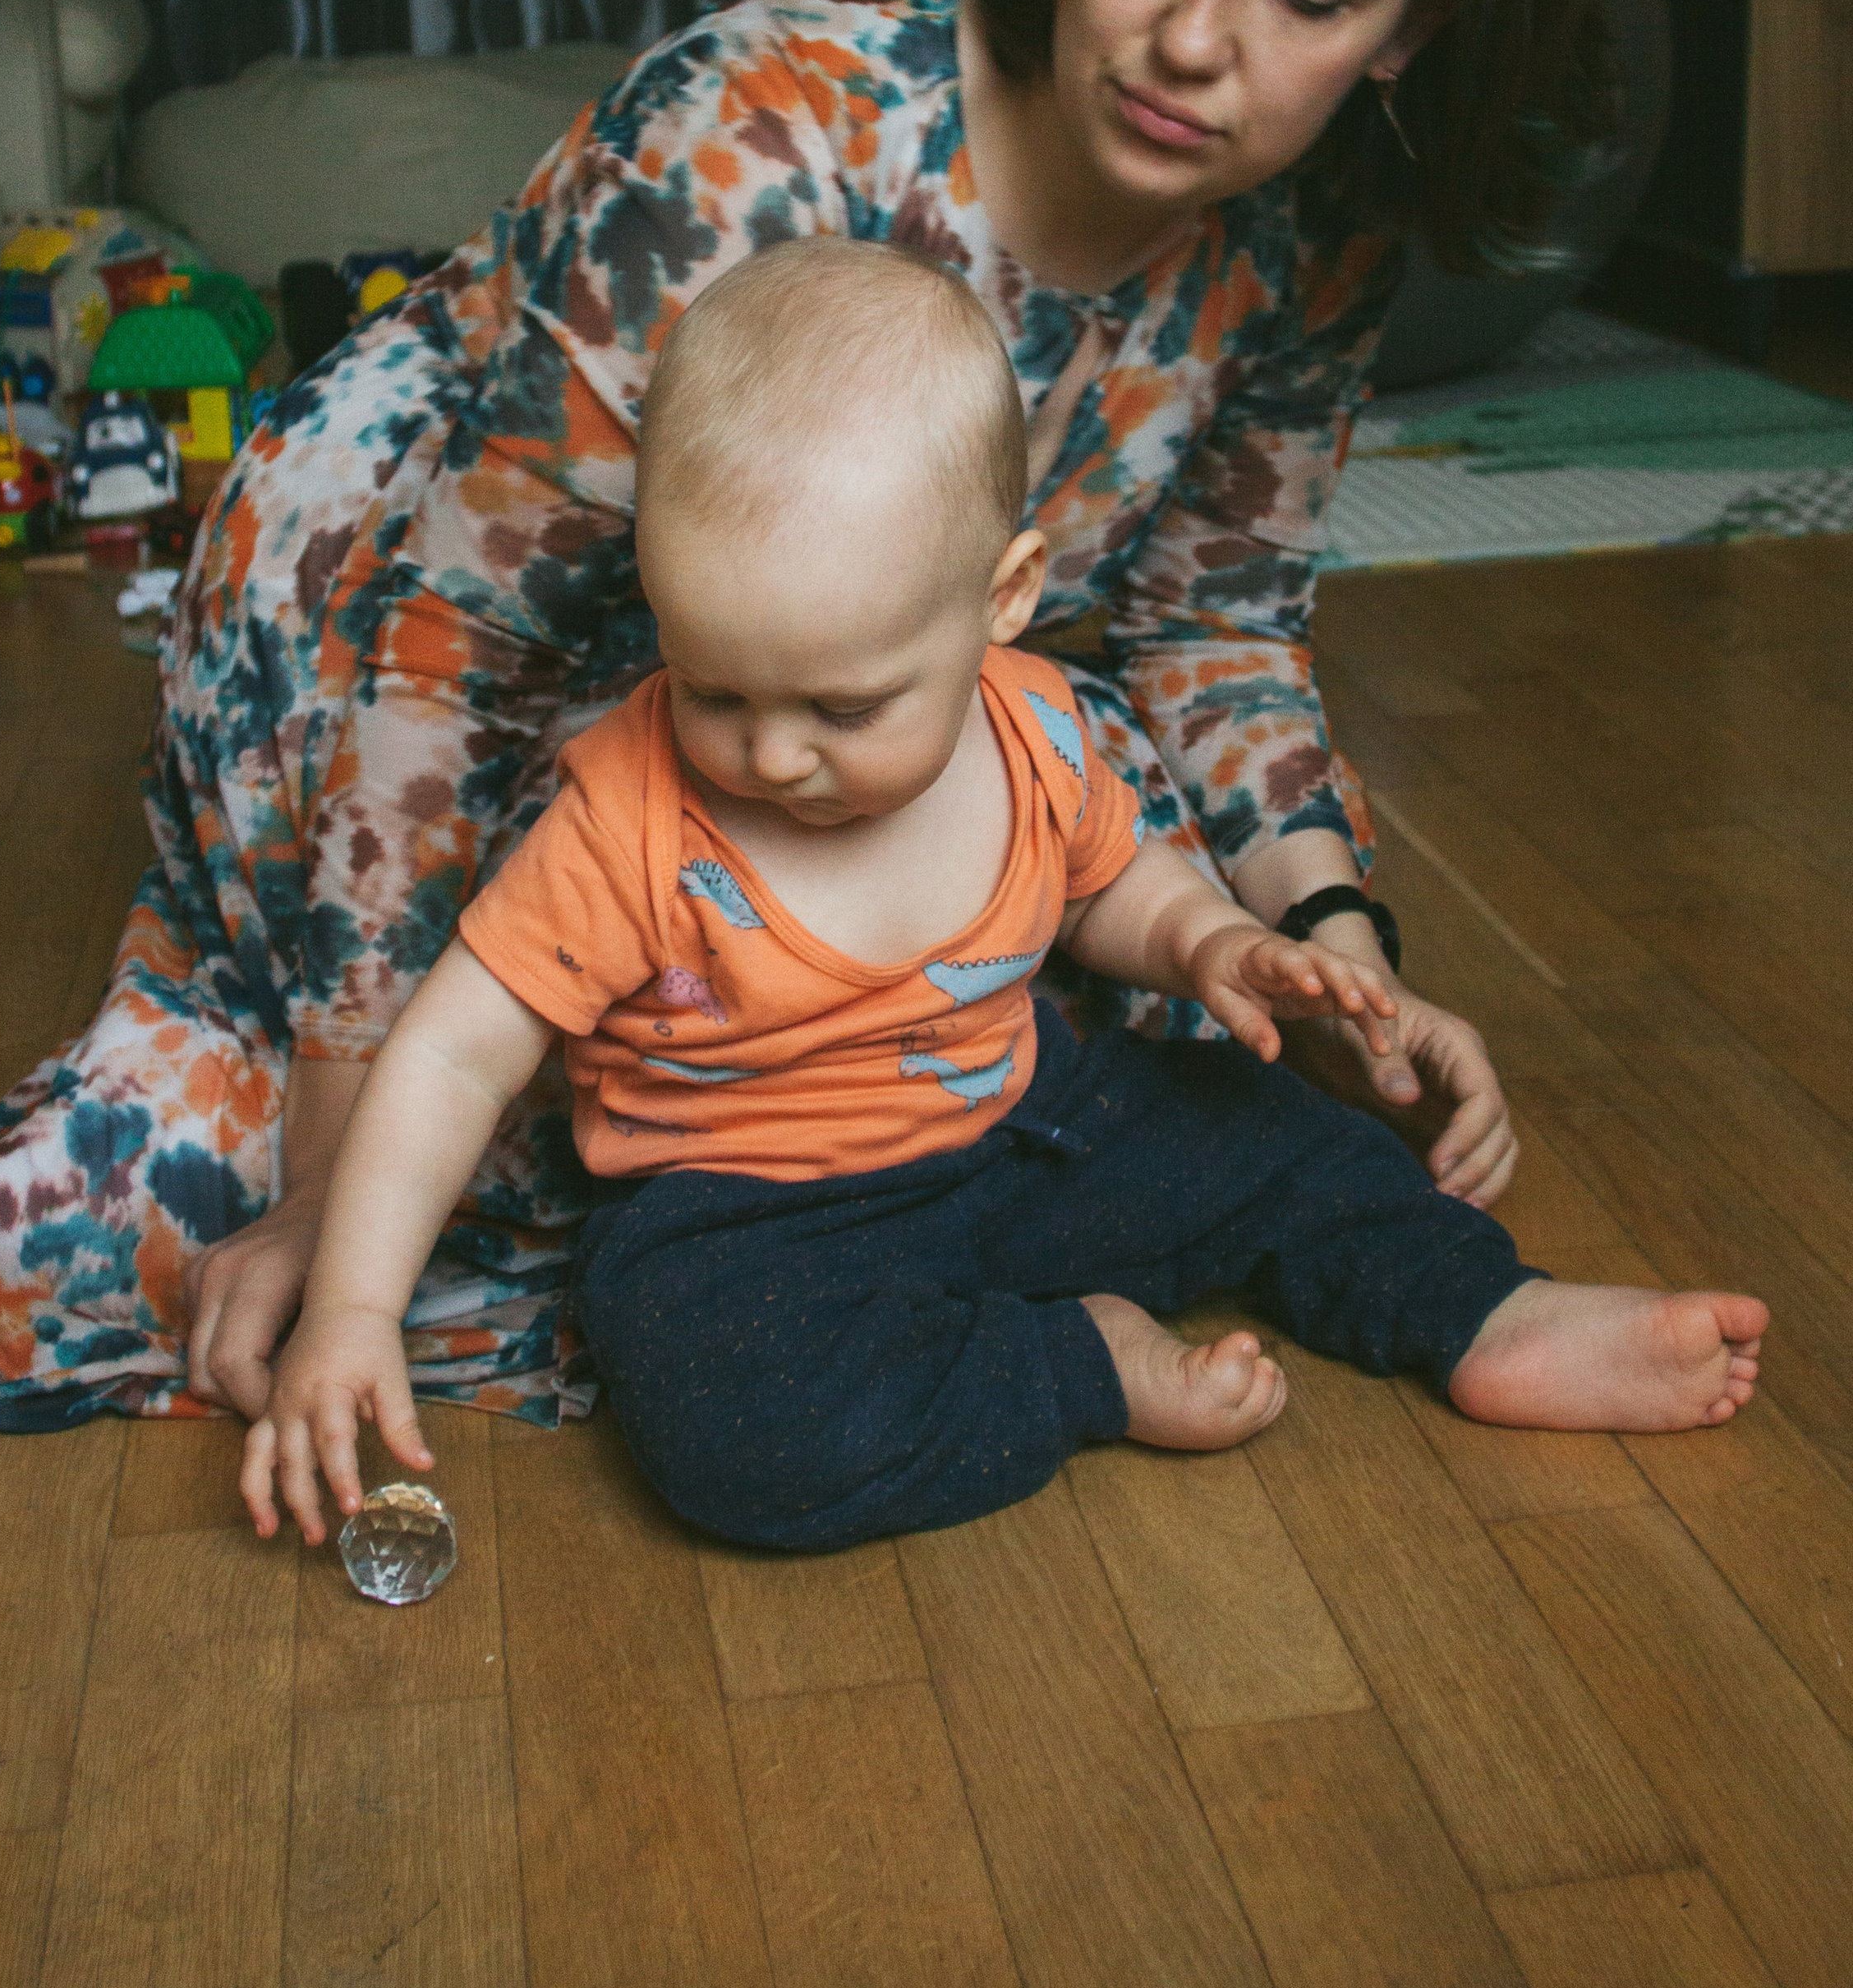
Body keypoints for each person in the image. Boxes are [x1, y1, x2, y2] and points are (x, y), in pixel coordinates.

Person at [0, 0, 1625, 1433]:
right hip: (408, 654)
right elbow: (443, 645)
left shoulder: (1314, 232)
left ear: (1408, 25)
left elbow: (1213, 621)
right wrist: (333, 1175)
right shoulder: (759, 136)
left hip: (829, 710)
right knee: (420, 1182)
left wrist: (1337, 965)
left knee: (1115, 992)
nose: (1196, 38)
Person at [243, 248, 1764, 1552]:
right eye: (713, 688)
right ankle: (1072, 1367)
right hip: (753, 1222)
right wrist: (359, 1310)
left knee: (1288, 1137)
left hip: (1034, 1131)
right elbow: (451, 1052)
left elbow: (1122, 880)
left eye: (843, 708)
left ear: (1005, 599)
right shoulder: (630, 812)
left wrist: (1213, 941)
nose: (773, 754)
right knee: (722, 1419)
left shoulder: (1040, 728)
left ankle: (1487, 1317)